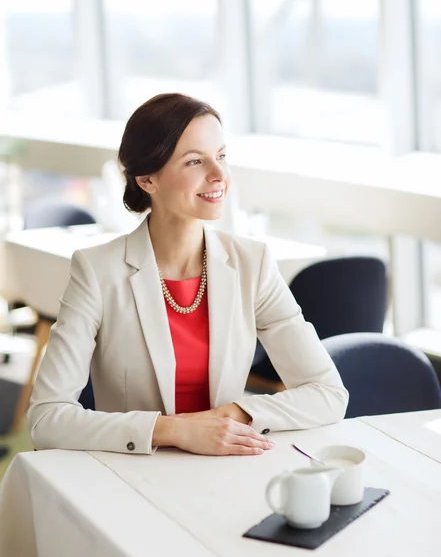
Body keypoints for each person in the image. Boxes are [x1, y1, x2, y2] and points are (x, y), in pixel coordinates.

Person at [27, 93, 348, 457]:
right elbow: (45, 419)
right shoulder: (96, 271)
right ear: (147, 179)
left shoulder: (252, 263)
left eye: (222, 156)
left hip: (225, 465)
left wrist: (233, 415)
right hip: (133, 472)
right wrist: (175, 430)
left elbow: (328, 393)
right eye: (196, 161)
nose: (219, 175)